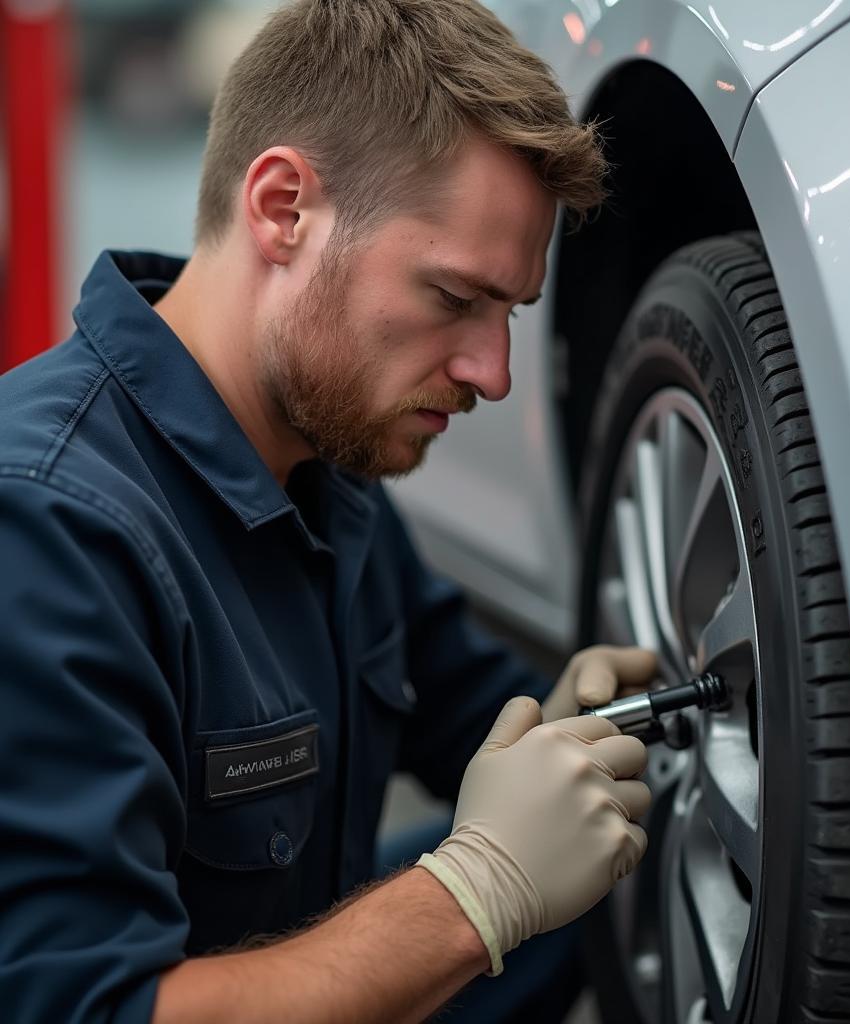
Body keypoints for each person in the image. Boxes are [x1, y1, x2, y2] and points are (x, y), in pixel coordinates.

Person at [0, 1, 662, 1021]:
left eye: (510, 312)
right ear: (282, 210)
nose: (493, 373)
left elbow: (464, 711)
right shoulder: (49, 528)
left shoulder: (324, 466)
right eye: (453, 298)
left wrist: (584, 729)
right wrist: (474, 894)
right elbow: (92, 1007)